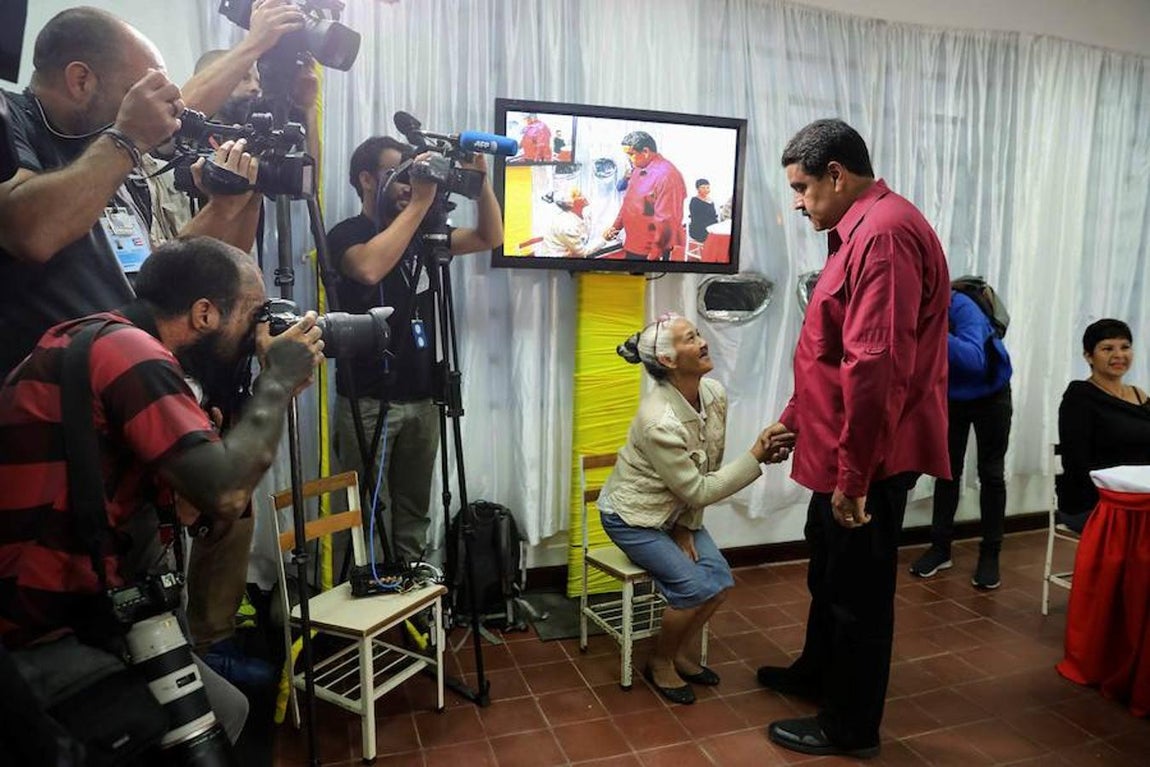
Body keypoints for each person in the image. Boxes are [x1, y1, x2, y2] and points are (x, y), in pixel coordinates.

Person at [0, 237, 324, 744]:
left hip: (77, 606)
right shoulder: (127, 352)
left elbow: (197, 509)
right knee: (215, 723)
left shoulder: (102, 339)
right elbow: (225, 494)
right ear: (203, 313)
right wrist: (277, 381)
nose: (260, 330)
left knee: (229, 711)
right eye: (253, 313)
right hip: (39, 627)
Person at [756, 119, 950, 759]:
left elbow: (876, 367)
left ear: (836, 174)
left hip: (868, 456)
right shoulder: (858, 230)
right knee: (829, 573)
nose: (798, 202)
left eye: (802, 187)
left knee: (858, 597)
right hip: (841, 442)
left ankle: (850, 726)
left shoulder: (885, 234)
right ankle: (818, 673)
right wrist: (794, 416)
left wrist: (854, 478)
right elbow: (830, 348)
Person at [0, 6, 264, 379]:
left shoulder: (110, 150)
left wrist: (223, 209)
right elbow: (30, 234)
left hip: (122, 381)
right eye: (140, 92)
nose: (160, 110)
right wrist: (127, 137)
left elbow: (155, 279)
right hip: (42, 396)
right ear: (81, 80)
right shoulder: (13, 118)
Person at [598, 314, 794, 705]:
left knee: (719, 582)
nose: (703, 342)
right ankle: (660, 661)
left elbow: (707, 467)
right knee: (691, 588)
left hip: (675, 512)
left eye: (698, 334)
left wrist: (685, 526)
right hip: (633, 518)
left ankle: (682, 652)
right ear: (668, 360)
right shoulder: (658, 420)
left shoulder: (714, 394)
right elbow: (698, 489)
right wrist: (756, 455)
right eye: (690, 338)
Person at [326, 136, 502, 564]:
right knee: (361, 509)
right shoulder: (347, 233)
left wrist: (480, 185)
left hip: (422, 396)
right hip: (367, 398)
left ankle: (411, 585)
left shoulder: (427, 233)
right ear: (367, 179)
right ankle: (360, 587)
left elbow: (489, 236)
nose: (409, 184)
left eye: (414, 174)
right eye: (399, 174)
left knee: (414, 507)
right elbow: (368, 268)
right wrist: (421, 203)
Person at [910, 287, 1013, 589]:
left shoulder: (960, 304)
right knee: (947, 471)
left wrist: (929, 329)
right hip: (951, 394)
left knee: (991, 474)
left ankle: (990, 554)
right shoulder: (905, 306)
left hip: (991, 392)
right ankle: (940, 549)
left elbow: (972, 359)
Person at [1057, 319, 1150, 532]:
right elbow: (1076, 462)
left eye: (1125, 347)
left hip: (1140, 496)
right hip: (1096, 501)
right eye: (1107, 349)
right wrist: (1122, 494)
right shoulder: (1079, 397)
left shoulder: (1140, 395)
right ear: (1088, 356)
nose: (1119, 355)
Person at [603, 131, 687, 261]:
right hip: (633, 245)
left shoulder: (667, 176)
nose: (629, 159)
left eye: (631, 154)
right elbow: (628, 203)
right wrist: (615, 228)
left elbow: (667, 221)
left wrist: (654, 254)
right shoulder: (638, 168)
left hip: (651, 251)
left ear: (646, 152)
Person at [539, 187, 604, 257]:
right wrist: (604, 240)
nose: (584, 197)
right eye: (579, 195)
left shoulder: (583, 215)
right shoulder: (567, 225)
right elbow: (582, 253)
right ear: (571, 203)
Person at [688, 178, 718, 243]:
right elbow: (697, 218)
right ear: (697, 189)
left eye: (708, 188)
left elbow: (713, 215)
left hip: (710, 226)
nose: (706, 190)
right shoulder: (694, 201)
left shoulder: (710, 200)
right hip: (699, 229)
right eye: (703, 188)